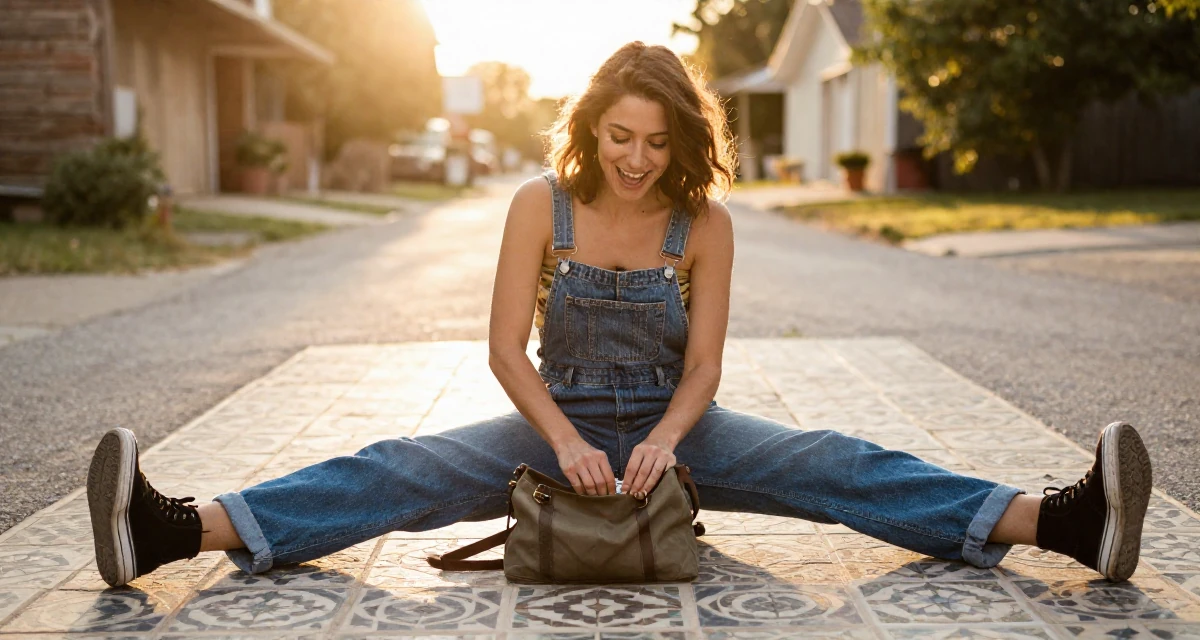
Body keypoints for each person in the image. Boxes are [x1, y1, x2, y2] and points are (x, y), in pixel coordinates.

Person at [86, 42, 1153, 589]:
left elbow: (705, 369)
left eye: (656, 142)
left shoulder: (708, 222)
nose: (636, 161)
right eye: (618, 138)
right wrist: (562, 438)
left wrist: (662, 443)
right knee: (396, 469)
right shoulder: (534, 206)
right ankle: (171, 529)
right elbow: (505, 350)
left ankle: (1065, 521)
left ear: (681, 139)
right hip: (553, 429)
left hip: (672, 436)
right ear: (590, 129)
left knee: (834, 461)